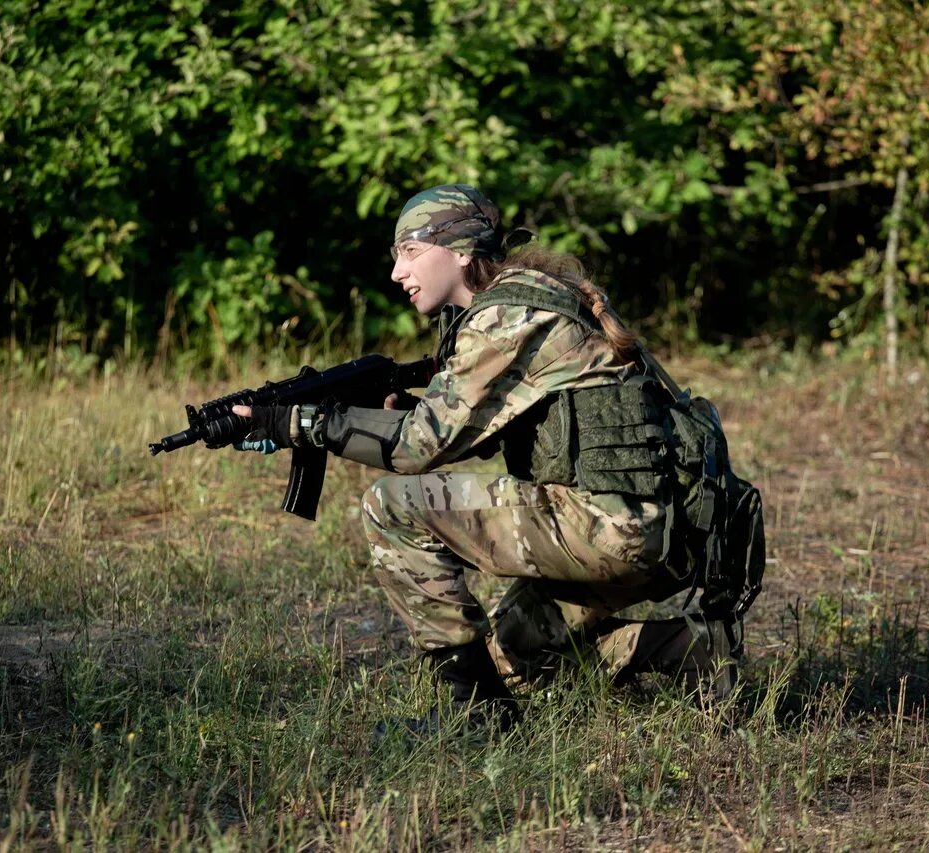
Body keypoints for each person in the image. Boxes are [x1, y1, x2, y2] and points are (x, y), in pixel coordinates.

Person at [231, 184, 745, 733]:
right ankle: (691, 648)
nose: (396, 273)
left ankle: (476, 719)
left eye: (409, 251)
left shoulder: (507, 316)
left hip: (614, 527)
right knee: (510, 660)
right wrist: (388, 412)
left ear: (458, 250)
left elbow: (414, 450)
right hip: (664, 529)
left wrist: (297, 425)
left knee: (392, 506)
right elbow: (479, 430)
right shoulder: (537, 294)